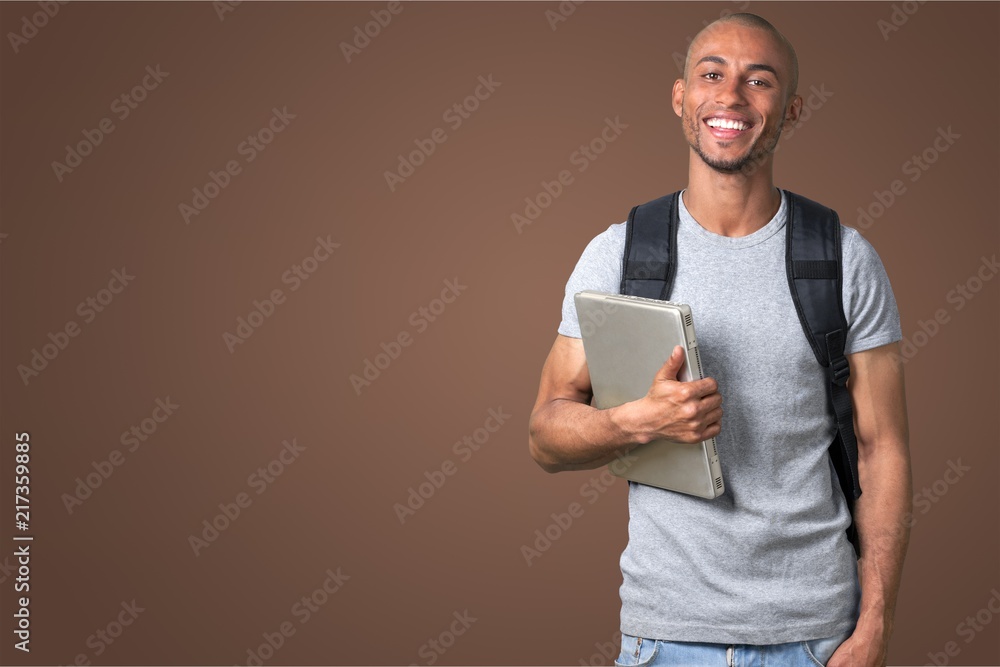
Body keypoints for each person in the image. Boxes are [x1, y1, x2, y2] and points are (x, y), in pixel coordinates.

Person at [527, 13, 912, 667]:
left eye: (758, 81)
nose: (731, 95)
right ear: (682, 99)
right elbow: (545, 435)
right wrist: (631, 422)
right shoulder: (618, 254)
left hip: (818, 637)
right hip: (665, 638)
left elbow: (884, 451)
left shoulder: (843, 258)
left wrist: (875, 624)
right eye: (712, 74)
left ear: (789, 110)